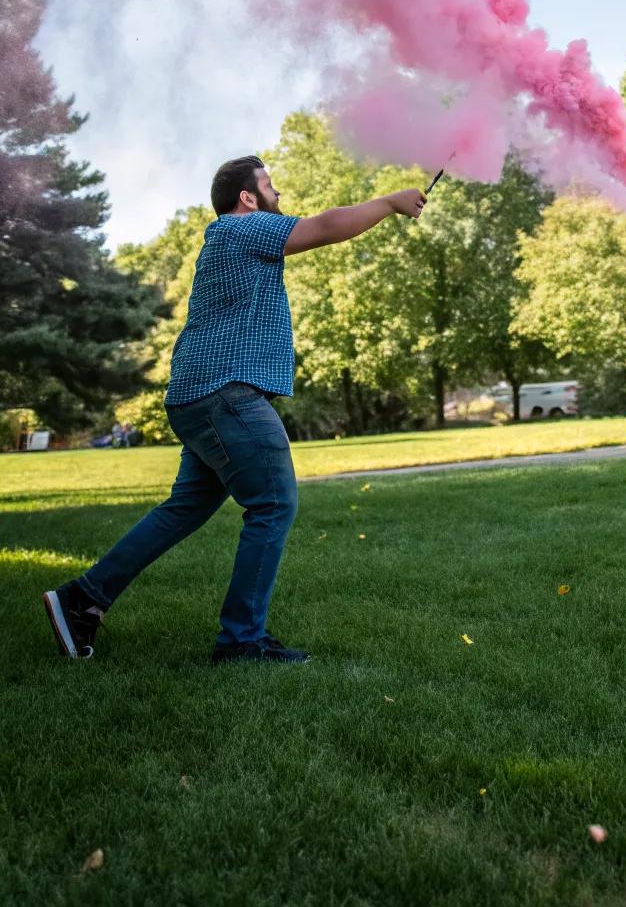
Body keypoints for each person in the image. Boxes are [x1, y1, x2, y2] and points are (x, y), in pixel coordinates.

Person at [43, 155, 426, 664]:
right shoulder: (241, 230)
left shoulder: (227, 240)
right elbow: (326, 227)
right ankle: (242, 641)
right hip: (228, 395)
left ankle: (82, 599)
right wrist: (388, 203)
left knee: (183, 510)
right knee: (273, 503)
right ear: (247, 197)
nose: (278, 195)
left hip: (201, 396)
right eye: (270, 186)